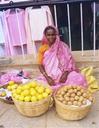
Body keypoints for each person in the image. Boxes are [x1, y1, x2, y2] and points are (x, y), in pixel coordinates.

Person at [37, 26, 87, 91]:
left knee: (79, 78)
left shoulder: (63, 46)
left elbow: (70, 61)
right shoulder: (42, 48)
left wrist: (65, 74)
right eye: (48, 35)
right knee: (39, 85)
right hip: (49, 76)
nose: (51, 37)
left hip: (63, 75)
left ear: (56, 35)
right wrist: (47, 77)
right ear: (45, 36)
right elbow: (39, 64)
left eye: (53, 35)